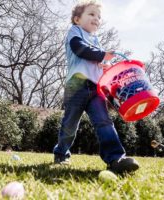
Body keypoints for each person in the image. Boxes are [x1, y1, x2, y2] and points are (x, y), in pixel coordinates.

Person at [53, 0, 139, 174]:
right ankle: (61, 153)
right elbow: (79, 49)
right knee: (70, 124)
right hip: (76, 85)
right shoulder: (75, 32)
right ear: (77, 19)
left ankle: (115, 158)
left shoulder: (96, 40)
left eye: (98, 17)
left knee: (104, 121)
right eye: (91, 14)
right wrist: (102, 55)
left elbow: (96, 60)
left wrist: (103, 67)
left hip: (95, 88)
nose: (96, 19)